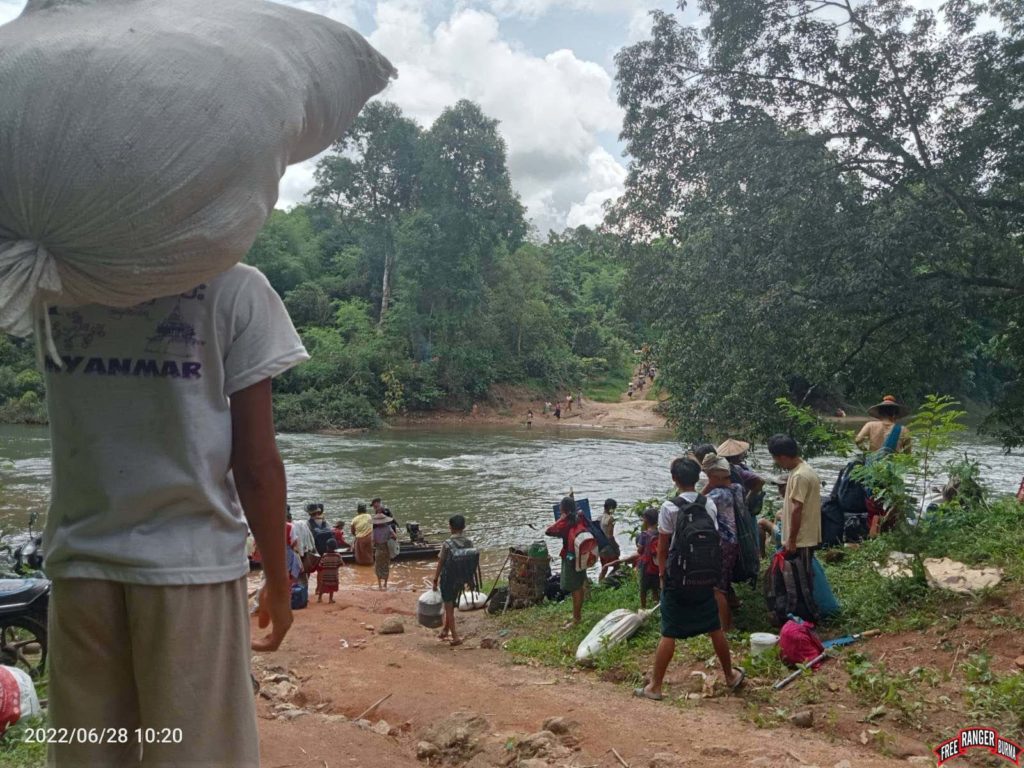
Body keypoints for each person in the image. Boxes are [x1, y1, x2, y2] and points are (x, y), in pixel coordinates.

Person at [41, 263, 307, 767]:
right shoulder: (236, 287)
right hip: (191, 570)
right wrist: (278, 581)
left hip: (79, 567)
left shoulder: (55, 282)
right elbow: (256, 465)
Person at [635, 457, 744, 701]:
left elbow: (663, 549)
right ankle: (730, 675)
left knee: (669, 631)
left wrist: (664, 576)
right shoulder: (709, 505)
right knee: (714, 627)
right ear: (698, 479)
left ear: (674, 479)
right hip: (705, 577)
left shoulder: (669, 507)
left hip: (678, 579)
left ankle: (655, 686)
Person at [767, 434, 822, 588]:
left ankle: (805, 609)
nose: (775, 462)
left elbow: (797, 510)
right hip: (801, 537)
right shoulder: (802, 469)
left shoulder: (800, 476)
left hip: (800, 539)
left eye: (775, 458)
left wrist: (791, 540)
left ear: (783, 457)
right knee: (799, 575)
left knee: (801, 578)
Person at [701, 453, 741, 630]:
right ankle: (730, 614)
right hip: (733, 542)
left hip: (722, 543)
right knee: (724, 583)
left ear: (714, 477)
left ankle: (726, 627)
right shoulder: (736, 488)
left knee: (718, 589)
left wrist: (707, 487)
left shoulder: (716, 495)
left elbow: (693, 505)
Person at [432, 514, 474, 646]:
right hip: (460, 579)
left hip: (448, 579)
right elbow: (471, 563)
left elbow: (441, 562)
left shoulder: (447, 544)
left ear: (450, 527)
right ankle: (445, 629)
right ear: (464, 527)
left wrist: (435, 579)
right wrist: (470, 580)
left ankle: (455, 637)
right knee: (451, 604)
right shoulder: (469, 543)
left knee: (448, 607)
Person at [546, 497, 587, 628]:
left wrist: (561, 518)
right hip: (581, 555)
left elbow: (549, 531)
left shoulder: (566, 522)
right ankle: (577, 616)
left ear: (563, 509)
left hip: (570, 557)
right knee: (579, 586)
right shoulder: (580, 517)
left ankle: (576, 619)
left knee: (575, 588)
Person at [624, 508, 660, 609]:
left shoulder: (644, 535)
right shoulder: (660, 533)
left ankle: (643, 608)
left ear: (646, 520)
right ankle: (656, 605)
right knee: (655, 587)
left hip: (646, 566)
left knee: (643, 589)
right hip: (657, 564)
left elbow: (640, 550)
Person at [371, 510, 396, 590]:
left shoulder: (374, 530)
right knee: (386, 566)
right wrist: (388, 539)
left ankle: (379, 585)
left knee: (378, 567)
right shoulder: (388, 528)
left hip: (378, 549)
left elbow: (372, 541)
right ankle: (385, 584)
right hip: (386, 549)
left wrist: (373, 548)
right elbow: (395, 536)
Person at [598, 498, 621, 581]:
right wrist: (616, 547)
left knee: (604, 568)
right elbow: (610, 536)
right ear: (611, 508)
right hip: (608, 548)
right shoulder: (611, 519)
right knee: (617, 565)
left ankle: (600, 584)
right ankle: (607, 581)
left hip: (600, 547)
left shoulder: (599, 518)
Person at [316, 539, 344, 603]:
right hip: (334, 575)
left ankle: (319, 598)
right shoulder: (338, 555)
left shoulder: (324, 555)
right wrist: (336, 567)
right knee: (332, 588)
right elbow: (341, 564)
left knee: (323, 587)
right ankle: (330, 599)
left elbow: (320, 565)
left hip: (325, 575)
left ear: (327, 547)